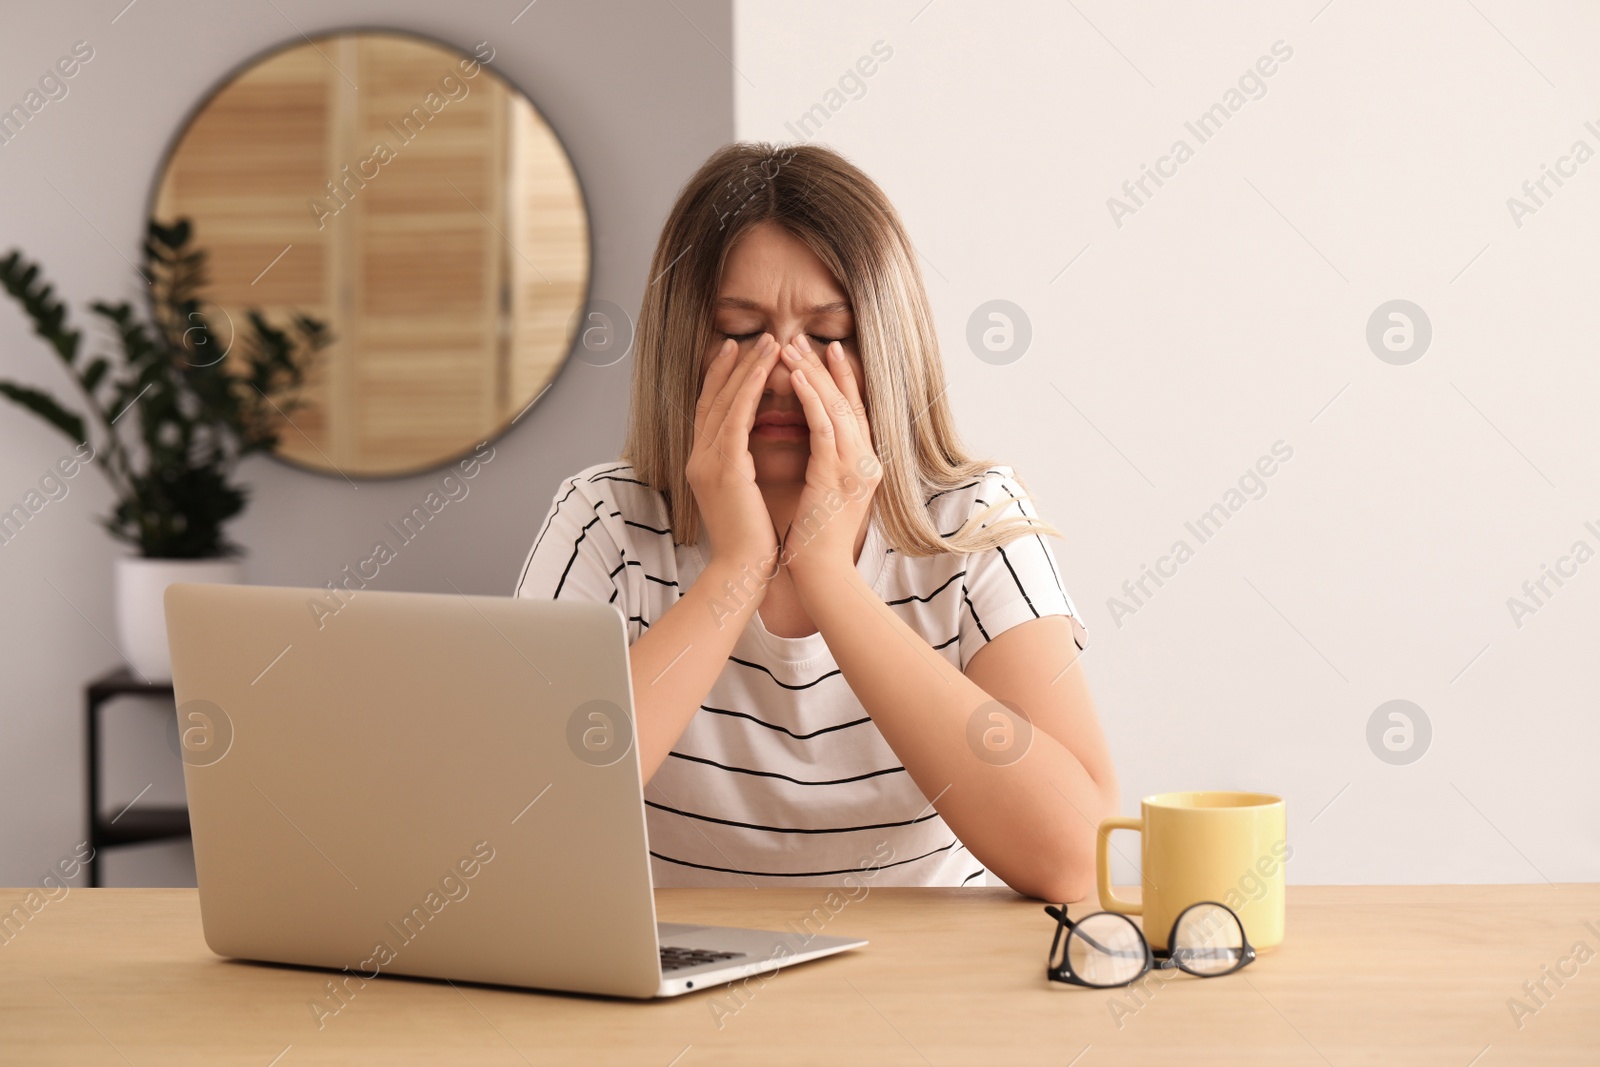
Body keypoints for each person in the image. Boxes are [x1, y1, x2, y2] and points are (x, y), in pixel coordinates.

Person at [516, 142, 1117, 901]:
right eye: (740, 330)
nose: (782, 372)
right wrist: (737, 569)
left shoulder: (974, 521)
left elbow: (1075, 857)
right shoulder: (603, 520)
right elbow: (520, 827)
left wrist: (828, 575)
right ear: (683, 344)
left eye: (829, 337)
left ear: (885, 347)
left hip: (941, 987)